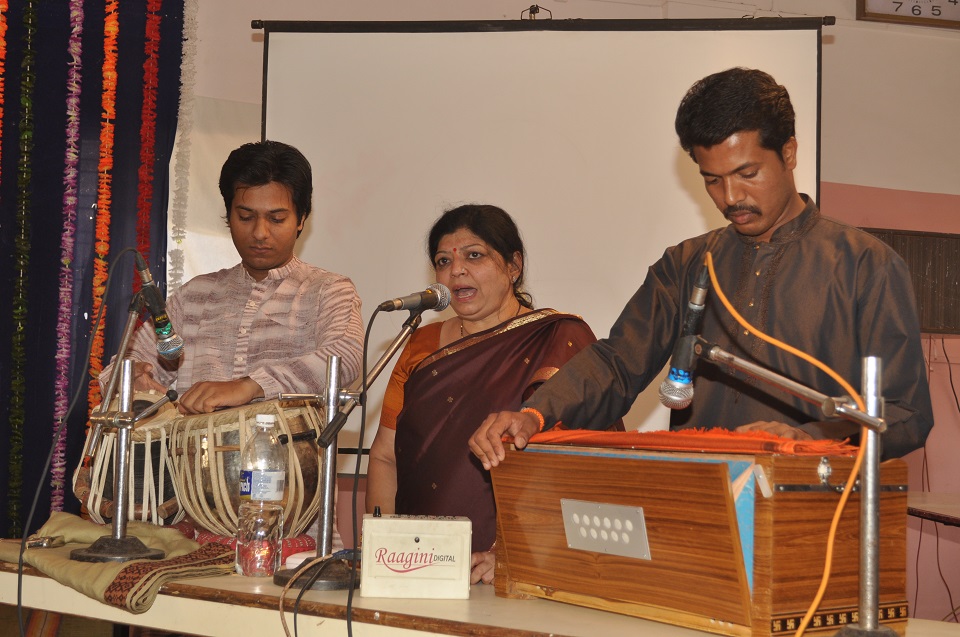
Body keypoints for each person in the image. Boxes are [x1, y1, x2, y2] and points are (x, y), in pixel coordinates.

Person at [469, 67, 933, 469]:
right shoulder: (687, 264)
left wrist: (808, 440)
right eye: (713, 180)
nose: (731, 198)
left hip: (814, 515)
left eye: (748, 174)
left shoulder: (864, 265)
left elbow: (905, 413)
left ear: (789, 153)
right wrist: (535, 413)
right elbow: (617, 363)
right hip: (700, 504)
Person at [365, 204, 620, 585]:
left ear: (513, 266)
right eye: (443, 261)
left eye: (474, 255)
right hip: (415, 565)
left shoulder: (559, 339)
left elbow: (591, 469)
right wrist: (379, 549)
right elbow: (385, 456)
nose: (456, 270)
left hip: (516, 568)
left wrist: (514, 553)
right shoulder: (420, 345)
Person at [100, 140, 364, 414]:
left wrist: (251, 386)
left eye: (276, 219)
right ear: (228, 216)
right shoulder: (194, 297)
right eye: (246, 217)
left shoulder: (327, 290)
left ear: (301, 220)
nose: (260, 233)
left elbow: (345, 357)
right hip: (193, 444)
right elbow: (124, 366)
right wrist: (131, 379)